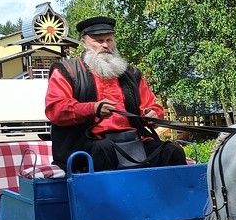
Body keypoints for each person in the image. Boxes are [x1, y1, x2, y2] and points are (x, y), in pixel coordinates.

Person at [45, 16, 187, 171]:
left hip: (133, 142)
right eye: (99, 41)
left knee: (172, 151)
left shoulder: (132, 73)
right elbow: (55, 109)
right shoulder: (66, 71)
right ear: (84, 42)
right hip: (88, 143)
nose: (105, 45)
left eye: (109, 39)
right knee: (103, 149)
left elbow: (152, 105)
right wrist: (93, 109)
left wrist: (153, 114)